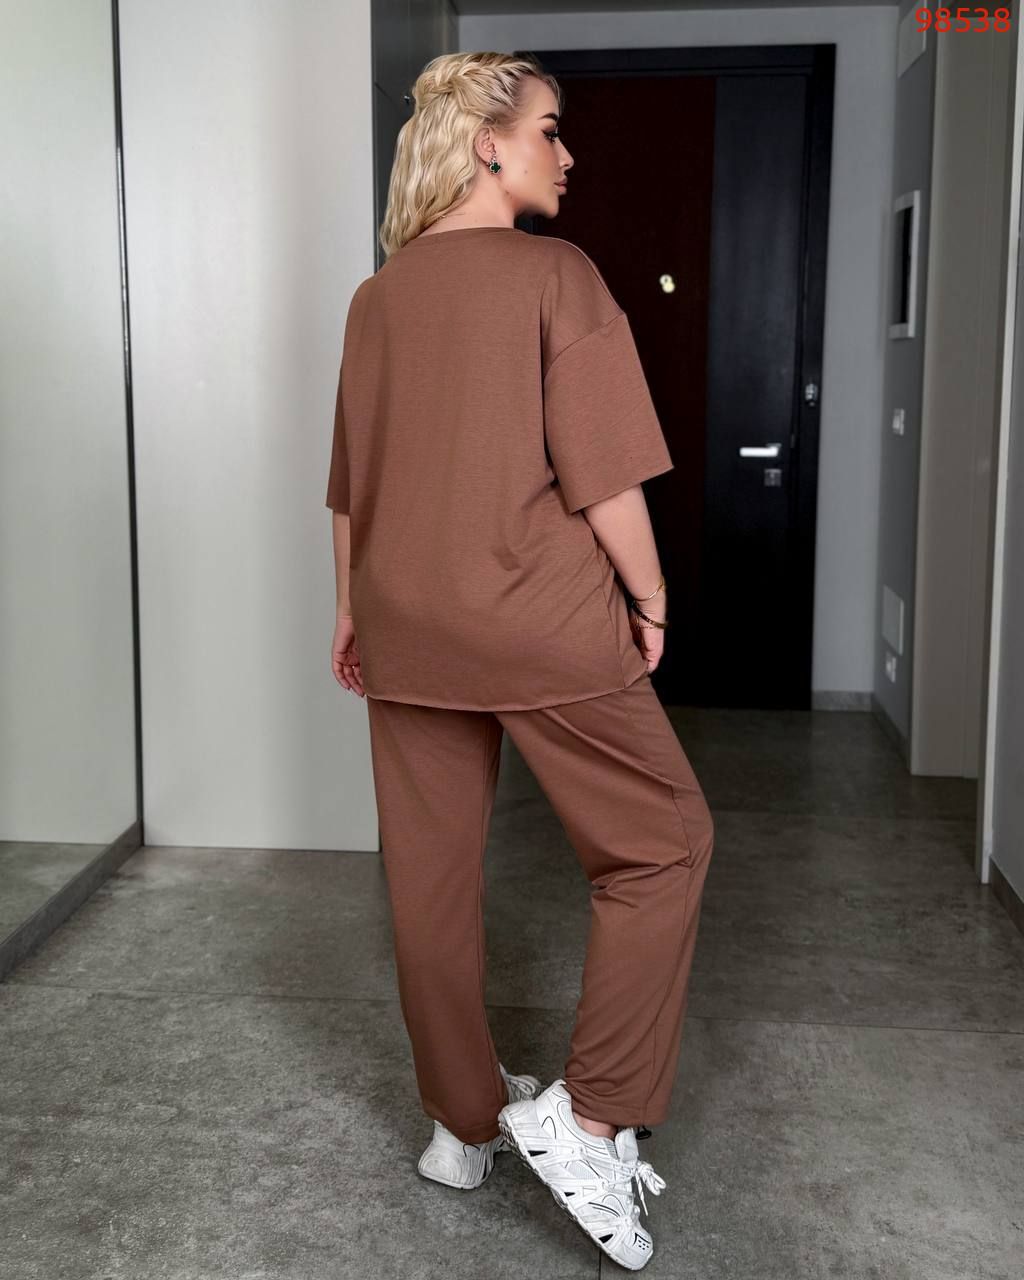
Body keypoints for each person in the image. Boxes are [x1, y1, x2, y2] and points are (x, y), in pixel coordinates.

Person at [325, 50, 714, 1272]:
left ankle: (460, 1124)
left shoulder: (376, 298)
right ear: (487, 143)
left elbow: (351, 489)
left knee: (430, 880)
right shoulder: (557, 274)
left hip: (403, 616)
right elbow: (603, 475)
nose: (566, 152)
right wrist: (648, 595)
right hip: (534, 612)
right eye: (550, 129)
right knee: (661, 843)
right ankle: (587, 1117)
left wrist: (352, 612)